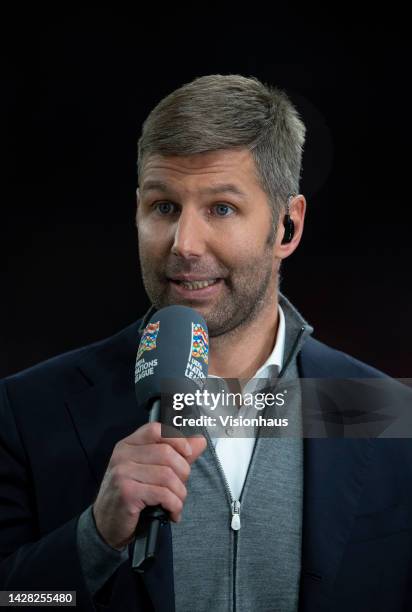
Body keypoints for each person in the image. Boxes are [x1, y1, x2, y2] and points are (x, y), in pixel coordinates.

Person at [1, 74, 411, 612]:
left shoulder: (378, 409)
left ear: (287, 226)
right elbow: (18, 599)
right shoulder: (32, 410)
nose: (184, 245)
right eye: (164, 207)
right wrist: (95, 538)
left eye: (220, 208)